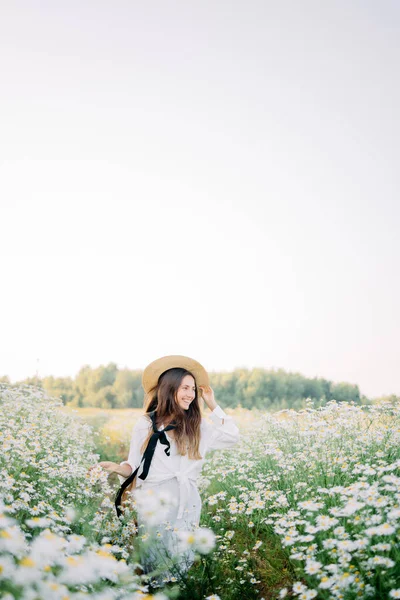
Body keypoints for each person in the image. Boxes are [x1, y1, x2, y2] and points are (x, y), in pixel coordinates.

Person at [96, 355, 240, 582]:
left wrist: (213, 404)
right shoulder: (146, 423)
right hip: (154, 499)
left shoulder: (197, 425)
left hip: (186, 498)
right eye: (184, 388)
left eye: (193, 389)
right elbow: (134, 465)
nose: (191, 394)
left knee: (179, 556)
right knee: (153, 554)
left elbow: (232, 437)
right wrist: (117, 468)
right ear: (169, 389)